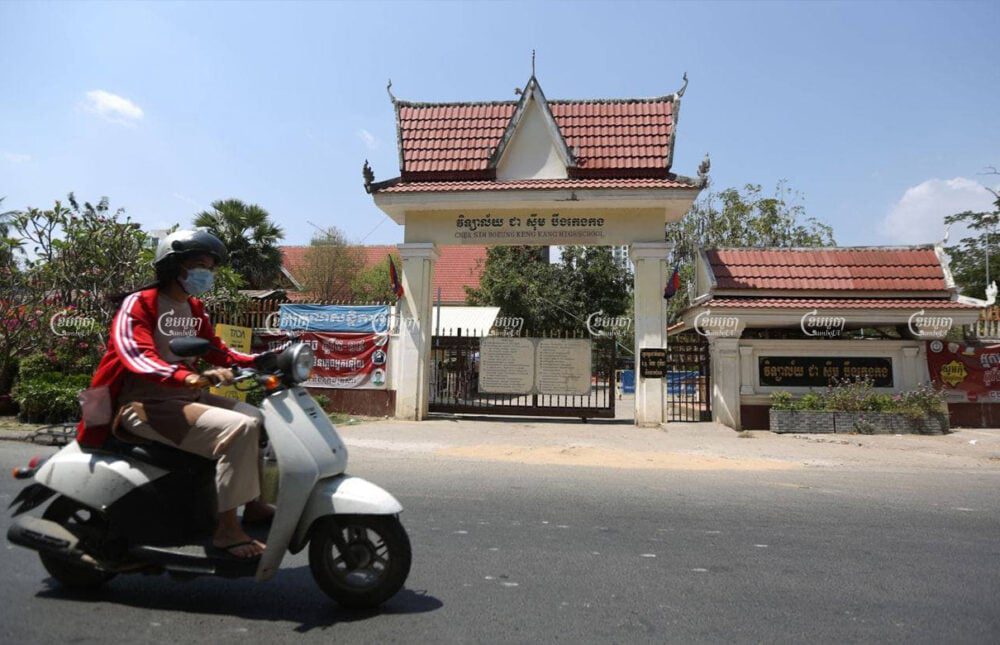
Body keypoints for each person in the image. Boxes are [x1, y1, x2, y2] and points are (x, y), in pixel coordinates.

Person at [77, 229, 275, 559]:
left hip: (182, 397)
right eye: (200, 265)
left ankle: (252, 505)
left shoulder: (193, 308)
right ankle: (227, 530)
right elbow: (137, 355)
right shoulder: (139, 304)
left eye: (210, 267)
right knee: (238, 429)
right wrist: (186, 377)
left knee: (255, 417)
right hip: (142, 403)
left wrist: (265, 359)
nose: (207, 274)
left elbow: (217, 350)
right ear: (174, 266)